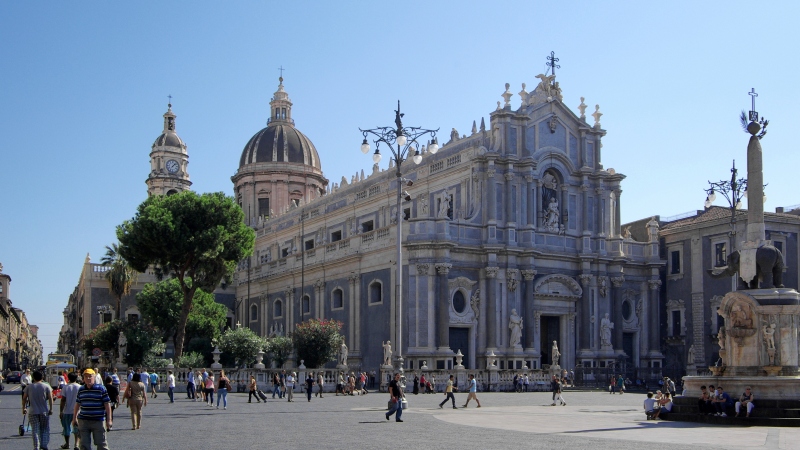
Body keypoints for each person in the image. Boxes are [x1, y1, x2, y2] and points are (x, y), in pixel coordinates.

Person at [72, 368, 112, 448]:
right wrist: (74, 418)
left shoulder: (101, 389)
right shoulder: (81, 389)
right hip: (84, 421)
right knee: (84, 444)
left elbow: (107, 405)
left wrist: (109, 420)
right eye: (86, 377)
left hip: (98, 420)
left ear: (94, 377)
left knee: (101, 444)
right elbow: (77, 404)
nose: (88, 378)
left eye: (90, 376)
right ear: (83, 378)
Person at [22, 370, 54, 450]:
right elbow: (50, 398)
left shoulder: (28, 387)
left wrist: (24, 408)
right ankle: (44, 445)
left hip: (33, 411)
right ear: (42, 377)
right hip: (44, 411)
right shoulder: (46, 386)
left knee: (35, 429)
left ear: (33, 378)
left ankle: (36, 446)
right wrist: (51, 409)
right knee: (45, 428)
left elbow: (24, 398)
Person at [59, 372, 81, 450]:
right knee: (77, 428)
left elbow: (63, 400)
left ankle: (67, 444)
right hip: (77, 412)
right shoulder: (80, 387)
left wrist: (61, 411)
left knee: (66, 428)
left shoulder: (65, 387)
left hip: (66, 411)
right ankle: (76, 444)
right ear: (76, 378)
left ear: (68, 378)